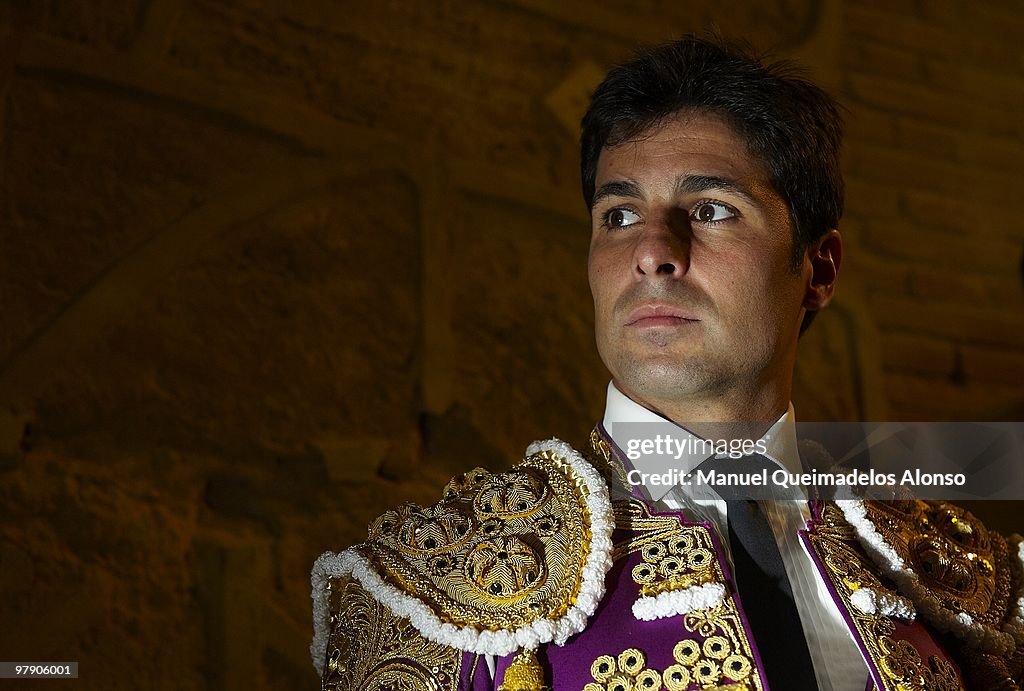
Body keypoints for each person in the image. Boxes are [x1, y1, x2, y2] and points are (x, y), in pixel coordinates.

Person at [310, 35, 1024, 691]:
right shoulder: (426, 592)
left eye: (711, 209)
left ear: (819, 268)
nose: (652, 250)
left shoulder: (958, 580)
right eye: (618, 215)